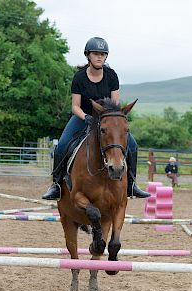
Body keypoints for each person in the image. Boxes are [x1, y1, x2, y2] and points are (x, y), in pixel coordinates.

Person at [42, 37, 150, 200]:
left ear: (105, 57)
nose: (99, 57)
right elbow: (75, 106)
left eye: (102, 54)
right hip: (83, 117)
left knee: (133, 145)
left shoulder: (111, 76)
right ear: (88, 56)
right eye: (95, 54)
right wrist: (86, 117)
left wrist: (112, 120)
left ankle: (132, 184)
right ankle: (56, 185)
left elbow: (115, 103)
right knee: (62, 145)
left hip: (108, 119)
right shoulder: (79, 77)